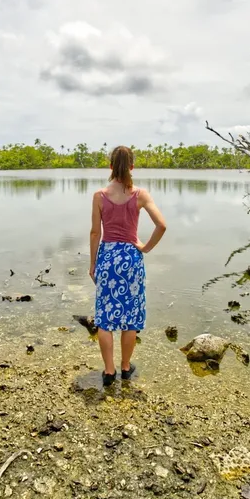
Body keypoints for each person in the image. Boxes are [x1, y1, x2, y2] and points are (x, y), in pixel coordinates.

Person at [89, 146, 166, 386]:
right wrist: (145, 247)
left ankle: (109, 371)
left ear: (111, 166)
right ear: (132, 167)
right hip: (131, 260)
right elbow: (161, 225)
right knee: (130, 315)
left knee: (105, 317)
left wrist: (93, 264)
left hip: (108, 257)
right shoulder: (140, 195)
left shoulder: (100, 196)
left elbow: (95, 233)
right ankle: (125, 367)